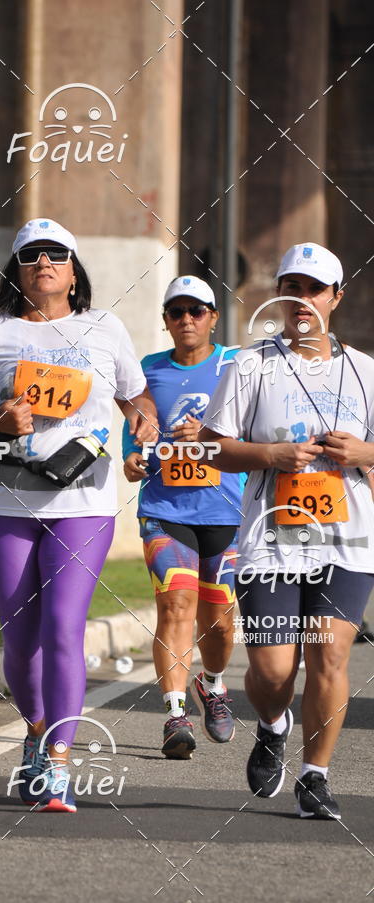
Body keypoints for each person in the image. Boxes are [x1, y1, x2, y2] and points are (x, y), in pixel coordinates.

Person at [0, 218, 157, 813]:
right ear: (16, 269)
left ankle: (59, 760)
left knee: (64, 626)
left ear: (73, 267)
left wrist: (144, 417)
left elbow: (136, 395)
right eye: (31, 255)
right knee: (19, 637)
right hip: (5, 500)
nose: (44, 262)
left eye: (56, 254)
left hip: (82, 500)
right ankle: (36, 729)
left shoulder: (103, 327)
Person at [201, 242, 374, 819]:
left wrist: (364, 449)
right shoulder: (250, 365)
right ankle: (274, 724)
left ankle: (315, 777)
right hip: (270, 540)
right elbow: (211, 445)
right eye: (292, 288)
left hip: (345, 539)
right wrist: (269, 453)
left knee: (329, 656)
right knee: (273, 671)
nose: (303, 300)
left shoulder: (366, 371)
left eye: (314, 290)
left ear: (336, 298)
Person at [122, 276, 244, 759]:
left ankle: (211, 684)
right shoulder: (146, 371)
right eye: (177, 312)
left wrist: (209, 436)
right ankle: (175, 716)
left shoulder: (238, 365)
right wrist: (133, 459)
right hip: (164, 510)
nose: (187, 319)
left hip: (225, 512)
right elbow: (136, 438)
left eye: (197, 310)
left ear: (214, 317)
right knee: (175, 605)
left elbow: (256, 428)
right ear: (166, 320)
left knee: (220, 623)